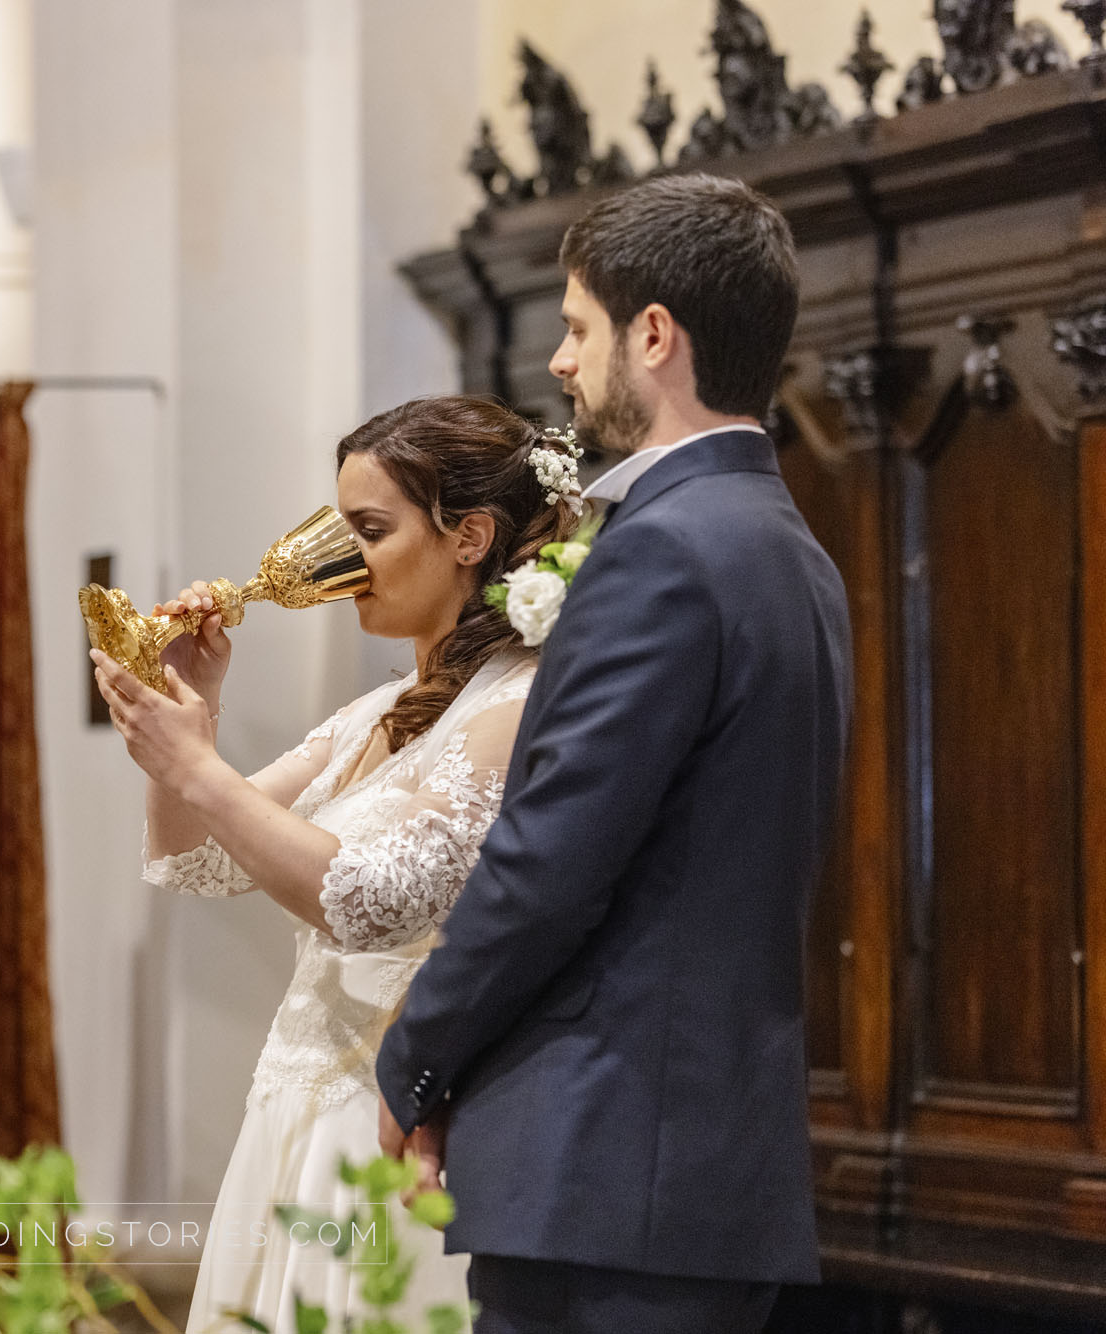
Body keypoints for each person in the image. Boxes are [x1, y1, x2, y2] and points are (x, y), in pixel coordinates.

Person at [374, 173, 853, 1334]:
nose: (557, 362)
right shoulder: (790, 549)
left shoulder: (662, 550)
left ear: (653, 334)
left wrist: (415, 1057)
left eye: (575, 327)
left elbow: (549, 859)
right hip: (696, 1171)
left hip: (603, 1171)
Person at [91, 395, 582, 1331]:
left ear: (469, 535)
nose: (349, 558)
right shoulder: (377, 711)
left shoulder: (518, 703)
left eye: (371, 529)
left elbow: (365, 903)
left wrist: (195, 764)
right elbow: (196, 863)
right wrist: (195, 712)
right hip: (293, 1108)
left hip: (389, 1120)